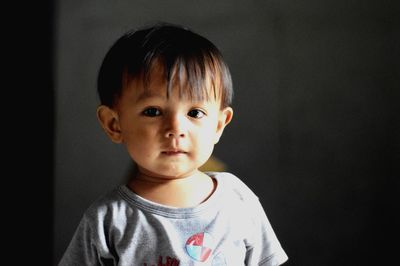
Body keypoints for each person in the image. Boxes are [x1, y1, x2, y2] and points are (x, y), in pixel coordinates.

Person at [58, 22, 288, 266]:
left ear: (219, 125)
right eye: (153, 111)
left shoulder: (237, 201)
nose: (176, 129)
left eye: (195, 113)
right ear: (114, 124)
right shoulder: (108, 220)